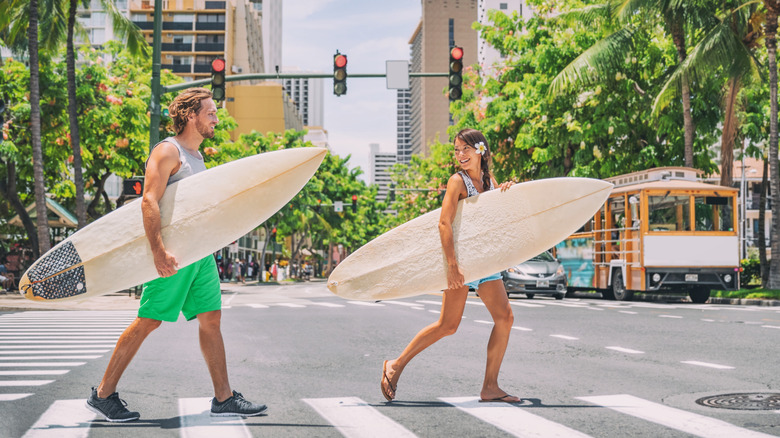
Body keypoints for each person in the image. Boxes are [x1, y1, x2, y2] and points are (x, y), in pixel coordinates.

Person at [86, 88, 266, 422]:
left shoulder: (197, 158)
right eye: (210, 112)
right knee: (149, 320)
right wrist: (158, 252)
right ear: (190, 116)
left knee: (211, 319)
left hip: (200, 254)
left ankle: (224, 398)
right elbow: (149, 201)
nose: (215, 117)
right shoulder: (169, 152)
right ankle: (103, 394)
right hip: (174, 254)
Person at [380, 128, 520, 403]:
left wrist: (508, 191)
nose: (460, 155)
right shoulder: (457, 181)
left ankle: (490, 386)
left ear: (481, 150)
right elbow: (444, 223)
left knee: (505, 318)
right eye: (456, 150)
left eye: (465, 149)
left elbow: (499, 217)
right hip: (461, 261)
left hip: (485, 261)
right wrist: (452, 266)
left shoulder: (490, 180)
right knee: (448, 325)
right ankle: (394, 365)